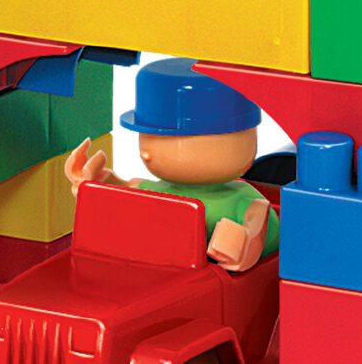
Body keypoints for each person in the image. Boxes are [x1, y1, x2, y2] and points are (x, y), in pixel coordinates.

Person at [64, 57, 279, 271]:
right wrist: (95, 184)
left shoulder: (247, 202)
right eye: (147, 138)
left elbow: (257, 229)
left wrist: (242, 246)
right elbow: (124, 193)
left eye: (170, 141)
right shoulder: (154, 190)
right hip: (151, 269)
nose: (146, 153)